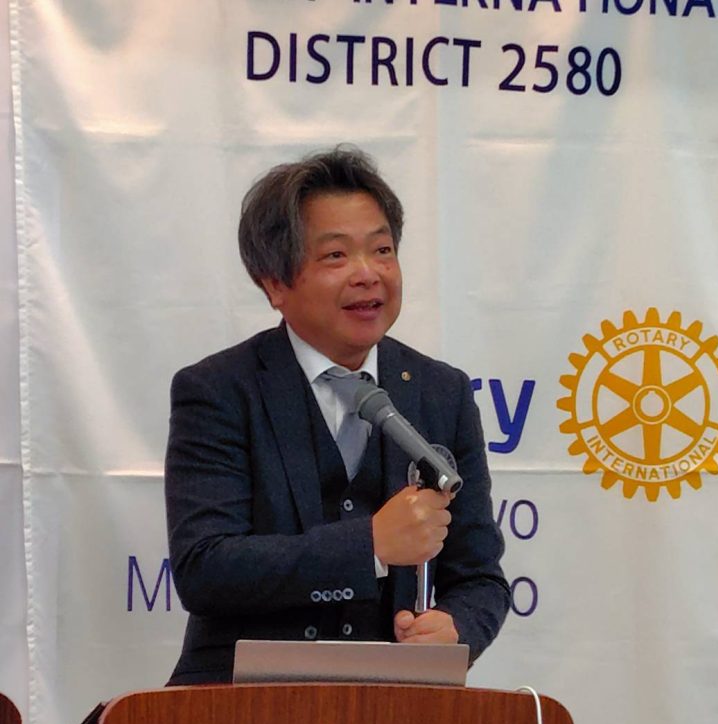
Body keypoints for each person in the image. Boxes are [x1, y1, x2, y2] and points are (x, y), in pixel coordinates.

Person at [164, 145, 509, 684]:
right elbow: (204, 568)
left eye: (382, 250)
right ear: (274, 283)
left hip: (394, 702)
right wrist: (368, 545)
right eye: (336, 256)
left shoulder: (442, 393)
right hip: (239, 706)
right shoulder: (219, 390)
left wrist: (455, 628)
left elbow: (480, 577)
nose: (368, 274)